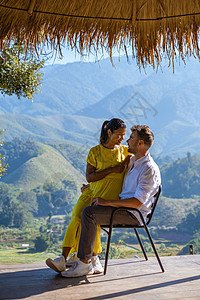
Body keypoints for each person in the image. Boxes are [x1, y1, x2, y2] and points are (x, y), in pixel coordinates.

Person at [61, 125, 161, 277]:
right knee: (87, 210)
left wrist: (106, 202)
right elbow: (115, 178)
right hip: (122, 209)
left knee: (89, 214)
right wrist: (91, 186)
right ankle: (87, 259)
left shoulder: (148, 169)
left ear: (140, 143)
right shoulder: (133, 161)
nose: (127, 141)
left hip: (132, 214)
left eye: (131, 138)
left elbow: (137, 202)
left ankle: (84, 263)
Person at [46, 118, 131, 274]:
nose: (122, 138)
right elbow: (89, 177)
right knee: (76, 218)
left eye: (124, 135)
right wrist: (113, 170)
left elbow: (143, 150)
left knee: (92, 218)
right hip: (91, 193)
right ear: (109, 132)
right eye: (119, 135)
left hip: (107, 197)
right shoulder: (95, 151)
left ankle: (93, 258)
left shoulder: (125, 151)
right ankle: (62, 259)